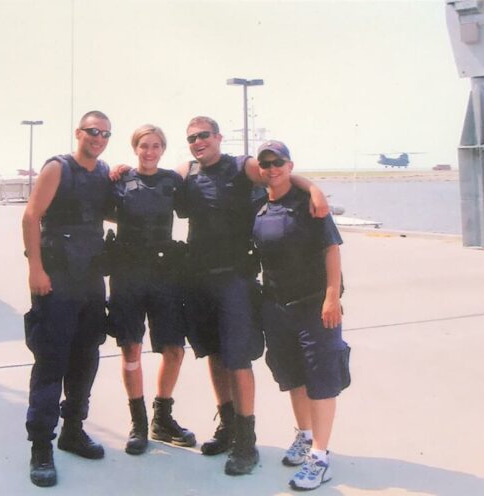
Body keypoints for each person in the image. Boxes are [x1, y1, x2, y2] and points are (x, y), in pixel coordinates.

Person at [175, 116, 329, 476]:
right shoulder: (188, 171)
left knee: (239, 359)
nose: (198, 142)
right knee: (215, 355)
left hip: (236, 280)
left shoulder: (240, 166)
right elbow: (154, 179)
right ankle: (228, 426)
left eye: (204, 136)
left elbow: (279, 175)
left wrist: (314, 188)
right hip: (200, 278)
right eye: (192, 138)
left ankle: (247, 442)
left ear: (218, 137)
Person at [251, 140, 351, 490]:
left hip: (314, 306)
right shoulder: (259, 207)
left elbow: (331, 249)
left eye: (279, 162)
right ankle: (305, 436)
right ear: (259, 169)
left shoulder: (308, 205)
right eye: (266, 163)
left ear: (290, 165)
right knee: (293, 376)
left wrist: (331, 297)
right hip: (277, 307)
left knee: (321, 378)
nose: (272, 167)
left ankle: (321, 459)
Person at [22, 110, 114, 487]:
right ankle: (41, 445)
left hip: (91, 279)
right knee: (51, 359)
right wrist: (35, 270)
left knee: (87, 355)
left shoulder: (103, 171)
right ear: (79, 132)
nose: (98, 138)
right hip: (57, 279)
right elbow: (31, 217)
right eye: (93, 131)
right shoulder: (58, 168)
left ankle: (74, 429)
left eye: (105, 133)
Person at [107, 124, 195, 455]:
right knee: (131, 349)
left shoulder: (173, 181)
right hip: (128, 274)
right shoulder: (119, 182)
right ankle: (138, 423)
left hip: (165, 274)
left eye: (156, 145)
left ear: (163, 149)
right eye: (144, 145)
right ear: (135, 148)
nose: (150, 151)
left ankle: (162, 417)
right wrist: (116, 171)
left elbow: (193, 190)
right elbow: (101, 209)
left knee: (174, 349)